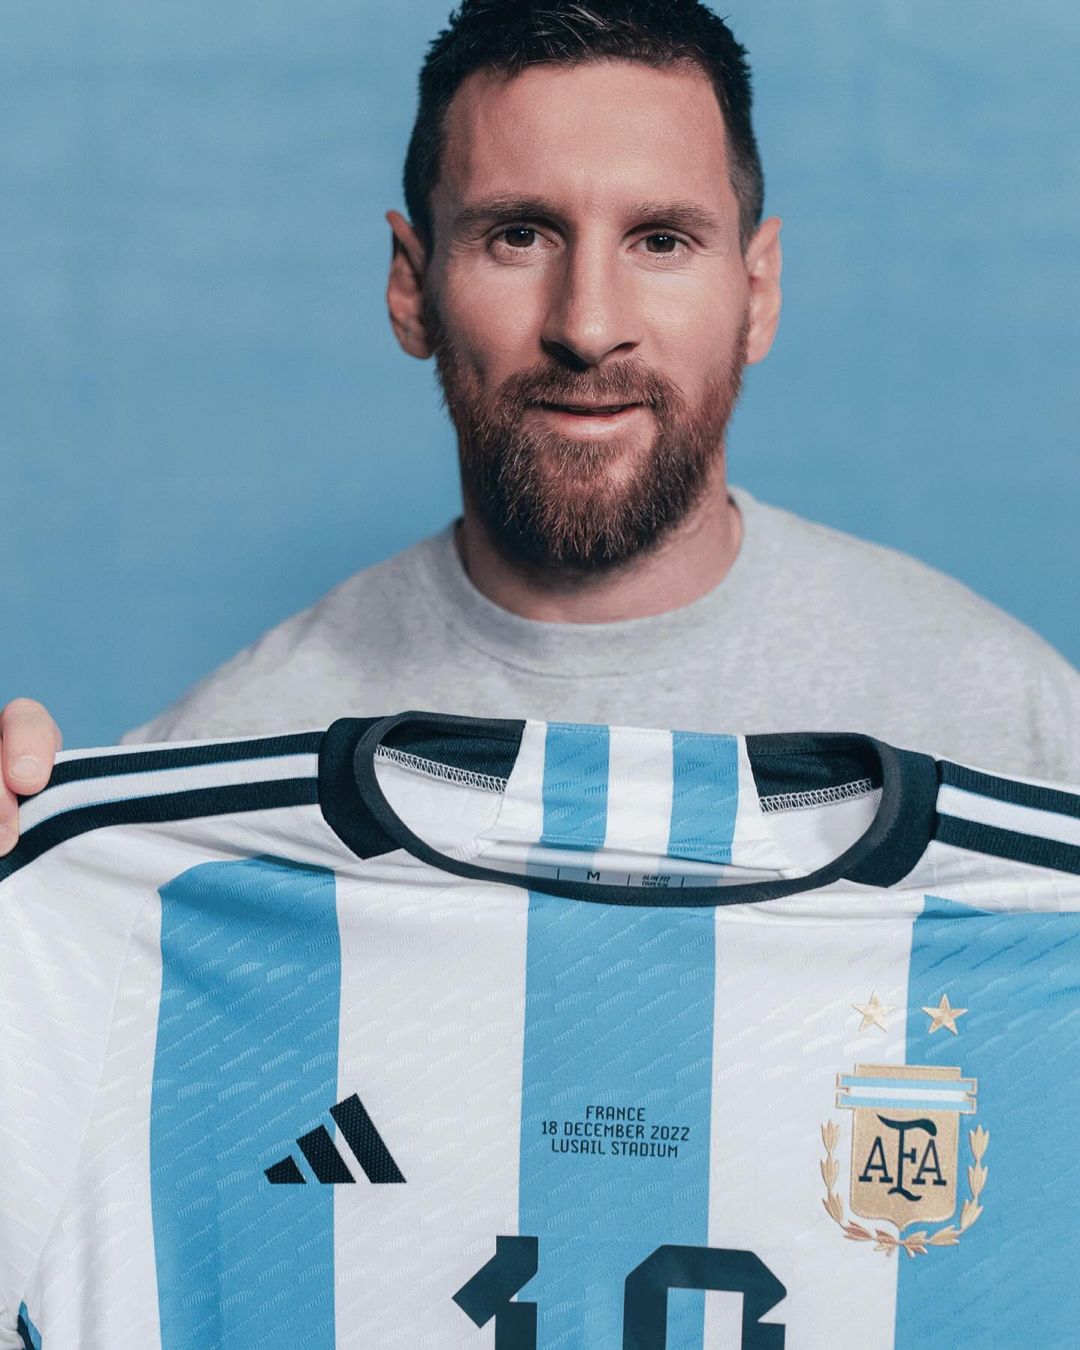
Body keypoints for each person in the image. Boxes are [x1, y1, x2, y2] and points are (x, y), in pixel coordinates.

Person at [2, 0, 1078, 858]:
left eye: (661, 240)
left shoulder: (1012, 732)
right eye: (519, 236)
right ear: (412, 288)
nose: (588, 326)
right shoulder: (225, 773)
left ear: (758, 293)